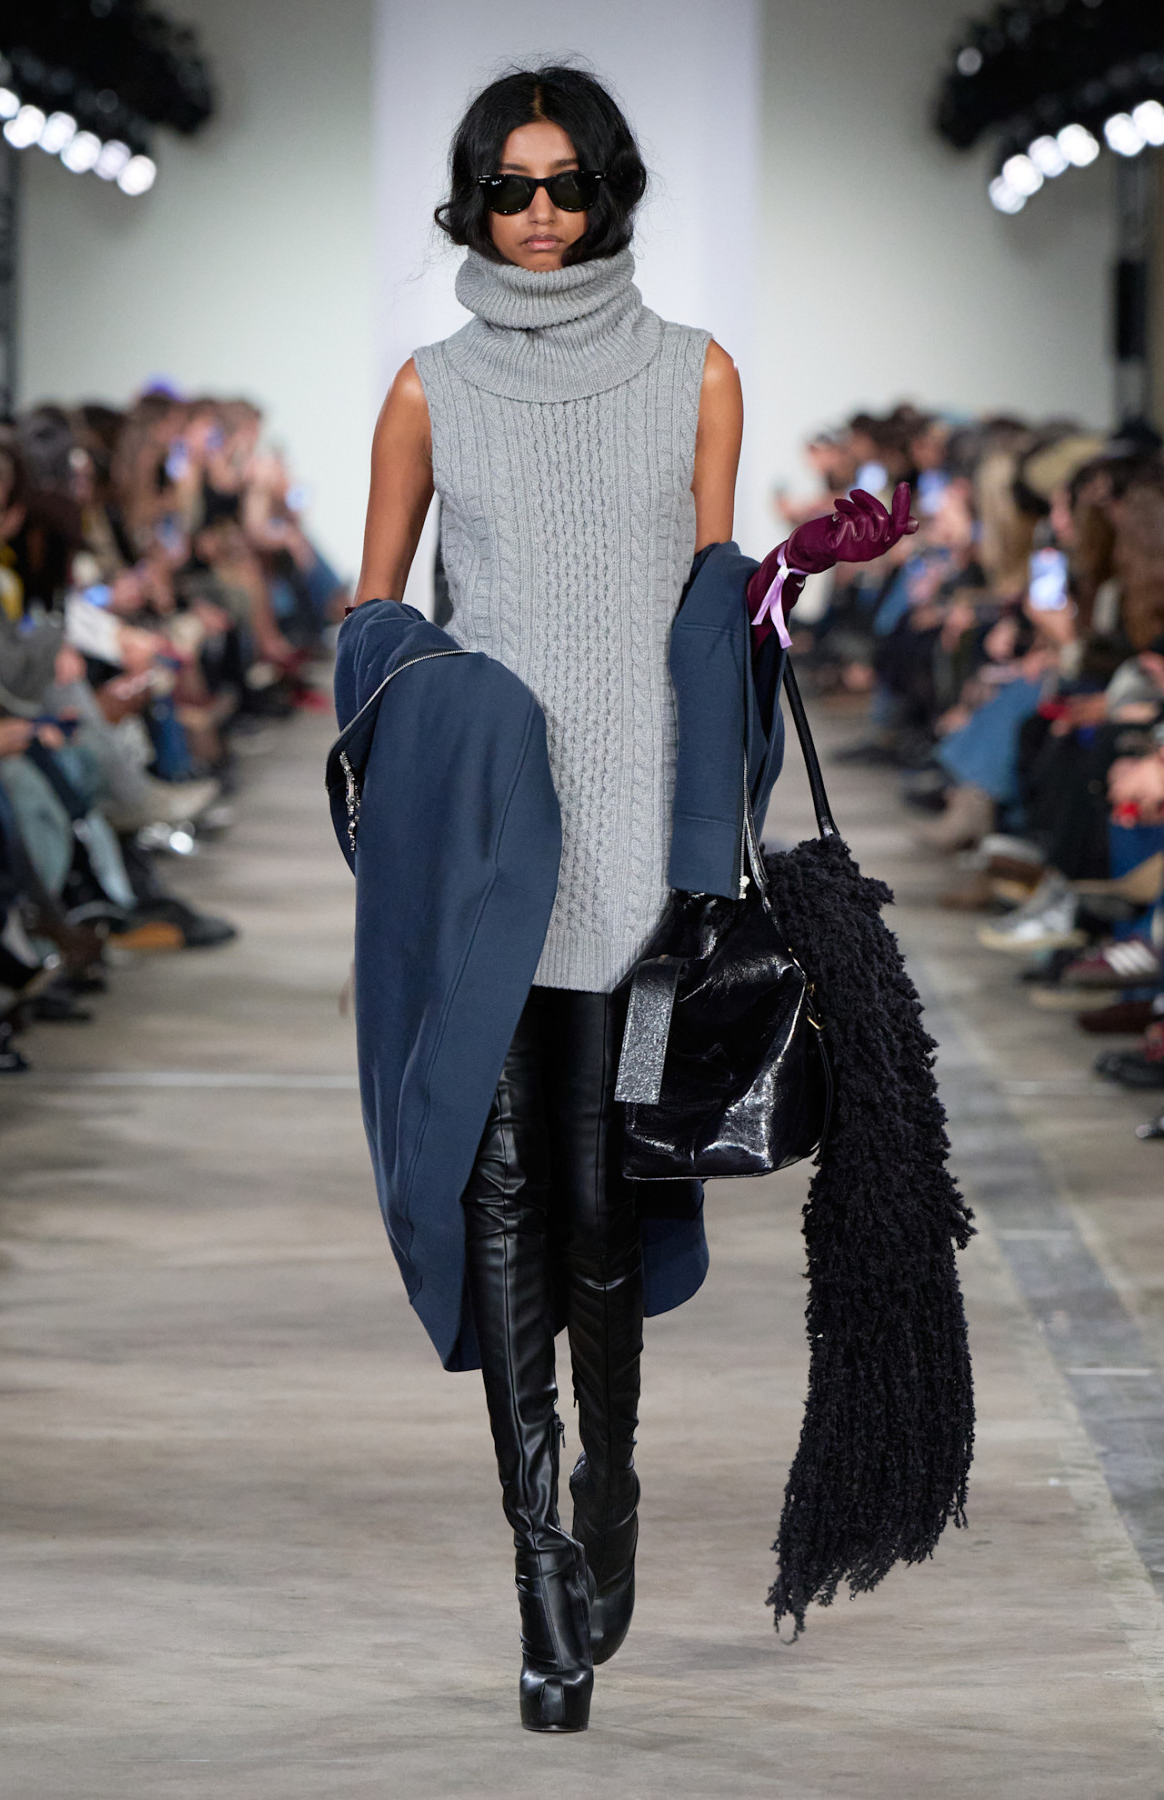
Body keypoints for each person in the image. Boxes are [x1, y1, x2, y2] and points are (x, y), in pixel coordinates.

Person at [343, 64, 909, 1733]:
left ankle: (615, 1478)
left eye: (566, 185)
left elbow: (701, 613)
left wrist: (710, 835)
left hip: (639, 840)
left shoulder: (697, 373)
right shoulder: (428, 389)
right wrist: (447, 738)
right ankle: (539, 1568)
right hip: (493, 840)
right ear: (472, 200)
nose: (538, 216)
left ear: (610, 192)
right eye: (509, 188)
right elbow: (374, 630)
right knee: (504, 1188)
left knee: (602, 1202)